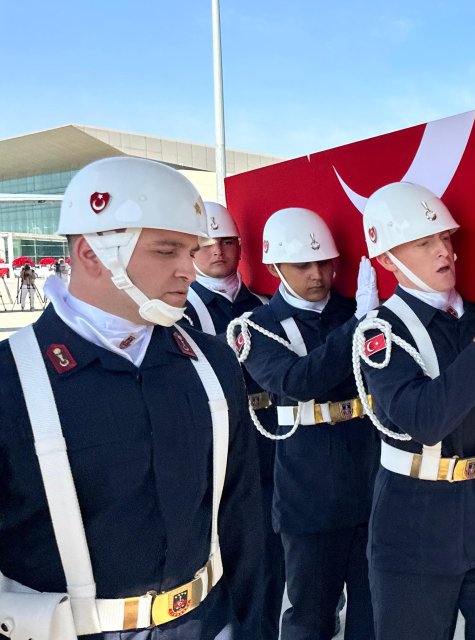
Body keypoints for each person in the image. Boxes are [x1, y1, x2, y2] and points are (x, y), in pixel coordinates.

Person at [0, 157, 265, 636]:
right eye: (168, 251)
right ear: (92, 255)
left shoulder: (211, 363)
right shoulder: (10, 379)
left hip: (205, 623)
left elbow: (240, 512)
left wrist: (254, 626)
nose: (190, 268)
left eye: (192, 250)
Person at [351, 182, 475, 638]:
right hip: (415, 521)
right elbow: (426, 420)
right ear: (386, 259)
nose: (444, 251)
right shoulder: (380, 332)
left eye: (445, 238)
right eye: (424, 242)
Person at [232, 207, 378, 639]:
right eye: (303, 265)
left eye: (325, 263)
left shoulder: (354, 309)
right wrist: (358, 326)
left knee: (374, 612)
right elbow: (298, 381)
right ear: (275, 267)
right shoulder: (256, 328)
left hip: (369, 478)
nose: (317, 274)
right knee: (310, 615)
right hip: (309, 491)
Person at [179, 201, 285, 640]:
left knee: (272, 566)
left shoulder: (265, 304)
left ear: (242, 246)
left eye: (226, 241)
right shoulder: (183, 313)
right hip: (222, 453)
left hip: (274, 446)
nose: (217, 251)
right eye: (206, 243)